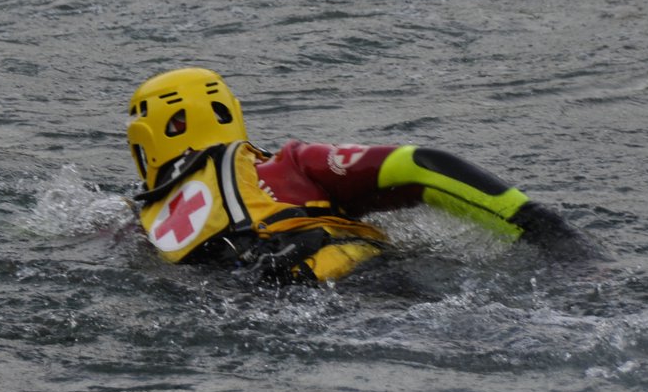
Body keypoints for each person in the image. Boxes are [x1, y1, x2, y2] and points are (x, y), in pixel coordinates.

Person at [125, 67, 590, 283]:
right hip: (360, 282)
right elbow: (420, 166)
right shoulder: (283, 166)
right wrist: (546, 229)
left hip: (252, 305)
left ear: (143, 142)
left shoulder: (141, 225)